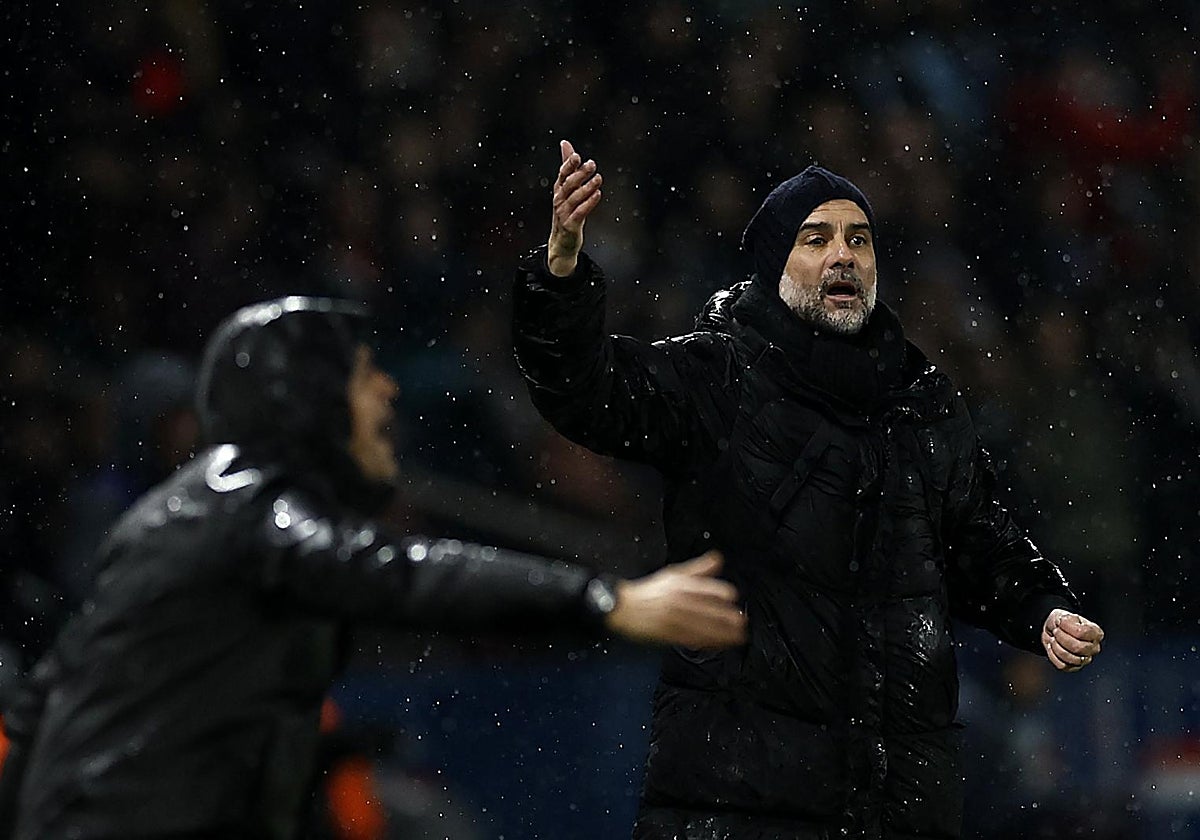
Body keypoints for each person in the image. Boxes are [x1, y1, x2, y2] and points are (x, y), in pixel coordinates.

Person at [511, 141, 1106, 840]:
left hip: (899, 806)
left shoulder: (923, 401)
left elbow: (978, 538)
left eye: (859, 239)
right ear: (774, 265)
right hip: (740, 804)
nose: (843, 255)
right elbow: (584, 391)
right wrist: (560, 270)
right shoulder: (715, 377)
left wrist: (1040, 609)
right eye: (815, 238)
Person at [0, 295, 747, 840]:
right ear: (309, 398)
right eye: (363, 375)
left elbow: (57, 698)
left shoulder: (204, 510)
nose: (386, 390)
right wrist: (607, 601)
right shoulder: (241, 506)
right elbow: (398, 572)